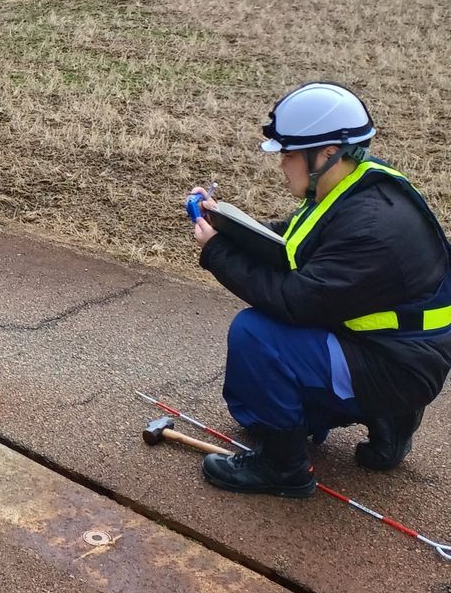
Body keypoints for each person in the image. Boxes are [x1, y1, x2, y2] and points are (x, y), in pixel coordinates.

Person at [190, 82, 451, 496]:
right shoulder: (353, 183)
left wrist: (217, 253)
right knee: (260, 406)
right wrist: (227, 223)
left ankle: (284, 470)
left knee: (256, 335)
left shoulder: (372, 228)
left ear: (327, 153)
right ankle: (390, 416)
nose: (282, 164)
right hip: (397, 350)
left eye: (289, 154)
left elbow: (294, 301)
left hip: (398, 365)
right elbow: (294, 243)